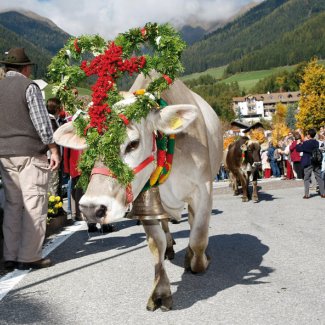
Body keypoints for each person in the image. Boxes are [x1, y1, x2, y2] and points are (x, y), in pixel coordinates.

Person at [0, 48, 61, 271]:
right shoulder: (29, 87)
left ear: (7, 68)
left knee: (13, 204)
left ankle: (10, 255)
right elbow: (41, 122)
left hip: (4, 154)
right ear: (25, 68)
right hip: (29, 152)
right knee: (34, 202)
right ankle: (29, 256)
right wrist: (53, 148)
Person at [296, 128, 325, 199]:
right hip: (316, 162)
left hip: (308, 162)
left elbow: (298, 149)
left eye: (307, 134)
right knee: (319, 177)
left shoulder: (306, 143)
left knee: (306, 178)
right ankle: (323, 193)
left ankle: (307, 194)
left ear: (309, 135)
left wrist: (298, 144)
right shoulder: (316, 143)